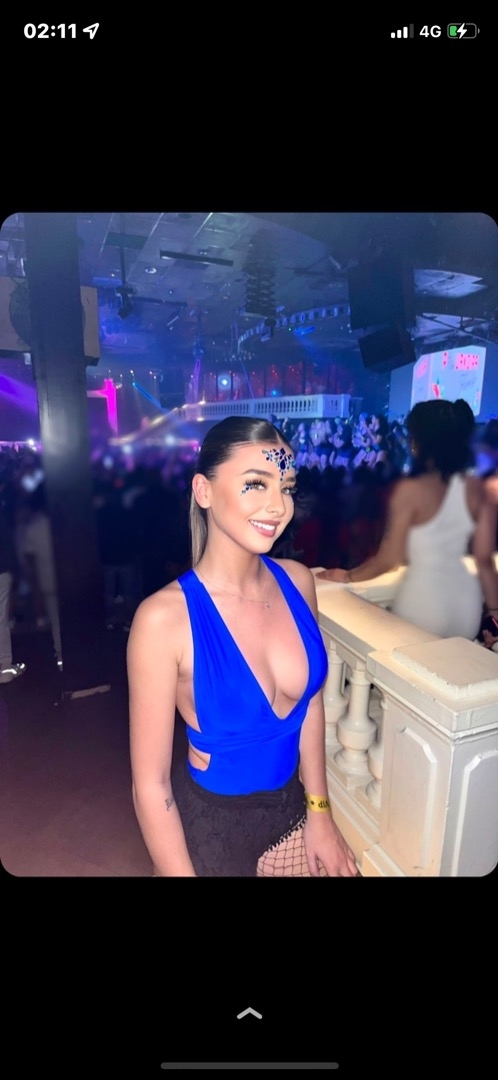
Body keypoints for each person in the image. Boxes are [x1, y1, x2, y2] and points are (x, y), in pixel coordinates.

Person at [127, 416, 358, 877]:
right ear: (204, 491)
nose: (278, 506)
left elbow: (310, 704)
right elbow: (150, 786)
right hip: (210, 829)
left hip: (290, 809)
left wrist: (320, 812)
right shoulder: (163, 620)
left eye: (286, 487)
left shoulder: (298, 582)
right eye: (256, 484)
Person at [317, 399, 498, 641]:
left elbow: (388, 558)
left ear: (420, 443)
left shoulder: (411, 491)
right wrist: (494, 612)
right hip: (468, 607)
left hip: (424, 603)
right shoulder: (476, 490)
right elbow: (484, 560)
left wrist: (348, 576)